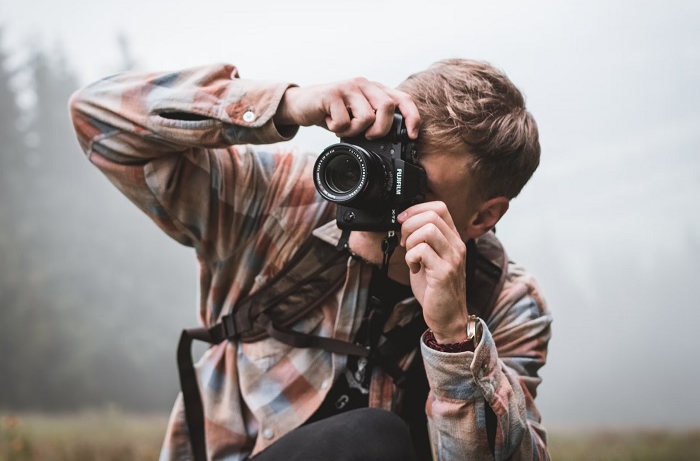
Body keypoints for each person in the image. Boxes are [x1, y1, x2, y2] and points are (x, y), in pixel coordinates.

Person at [69, 59, 552, 461]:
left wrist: (454, 340)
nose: (372, 187)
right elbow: (96, 118)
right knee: (368, 438)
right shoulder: (283, 200)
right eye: (376, 156)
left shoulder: (506, 301)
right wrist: (288, 104)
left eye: (410, 181)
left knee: (373, 437)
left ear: (483, 217)